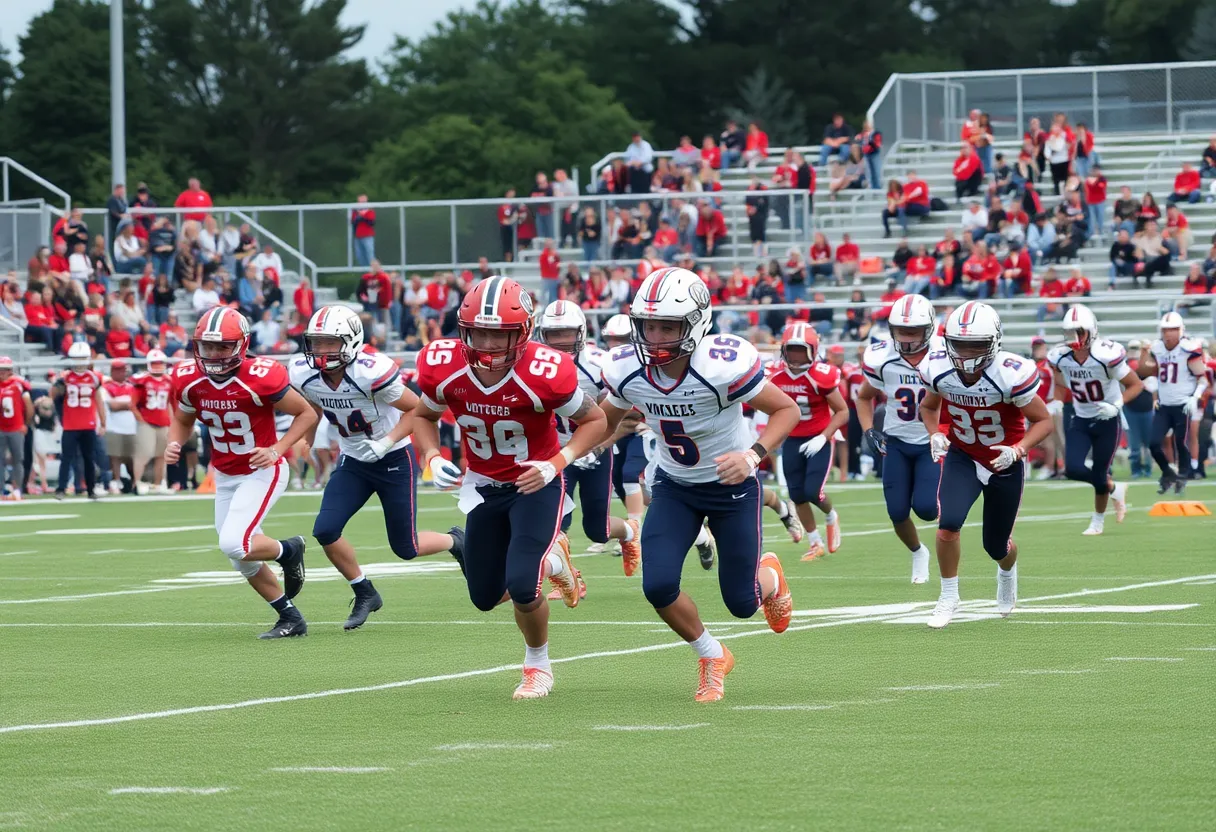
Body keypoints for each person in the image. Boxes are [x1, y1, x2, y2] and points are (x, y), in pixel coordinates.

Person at [598, 267, 801, 701]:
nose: (654, 337)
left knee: (742, 604)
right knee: (657, 586)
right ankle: (711, 655)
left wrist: (752, 455)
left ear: (695, 324)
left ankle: (771, 576)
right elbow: (602, 422)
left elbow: (786, 410)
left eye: (667, 326)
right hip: (675, 486)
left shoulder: (721, 365)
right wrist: (563, 455)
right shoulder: (626, 368)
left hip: (732, 488)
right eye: (648, 325)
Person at [412, 276, 607, 700]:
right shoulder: (443, 365)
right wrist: (432, 457)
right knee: (484, 597)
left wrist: (556, 463)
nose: (486, 344)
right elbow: (422, 416)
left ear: (521, 333)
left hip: (535, 484)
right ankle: (555, 564)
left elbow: (595, 421)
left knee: (522, 585)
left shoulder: (546, 371)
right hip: (483, 486)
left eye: (498, 335)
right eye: (478, 332)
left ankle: (538, 666)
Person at [289, 306, 465, 630]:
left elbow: (418, 410)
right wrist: (308, 437)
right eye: (316, 342)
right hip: (353, 460)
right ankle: (364, 590)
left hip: (394, 459)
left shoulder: (372, 370)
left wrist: (387, 441)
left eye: (330, 342)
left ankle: (456, 541)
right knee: (325, 530)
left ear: (351, 341)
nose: (320, 350)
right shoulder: (304, 371)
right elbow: (314, 399)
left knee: (406, 548)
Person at [166, 306, 317, 638]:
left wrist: (277, 448)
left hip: (262, 470)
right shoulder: (188, 378)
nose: (215, 353)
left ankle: (289, 549)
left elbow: (306, 414)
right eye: (208, 346)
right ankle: (290, 618)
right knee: (240, 557)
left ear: (241, 346)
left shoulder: (260, 376)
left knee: (234, 542)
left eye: (223, 346)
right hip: (225, 474)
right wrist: (175, 443)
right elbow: (182, 418)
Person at [918, 302, 1055, 628]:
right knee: (948, 523)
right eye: (960, 343)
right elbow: (928, 407)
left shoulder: (1010, 373)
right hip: (962, 455)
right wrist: (935, 433)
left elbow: (1044, 421)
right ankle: (948, 595)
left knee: (996, 545)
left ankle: (1007, 570)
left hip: (1003, 461)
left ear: (993, 341)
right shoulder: (938, 368)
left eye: (975, 344)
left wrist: (1019, 450)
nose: (966, 352)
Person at [535, 301, 642, 584]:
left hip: (594, 451)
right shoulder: (532, 365)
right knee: (553, 521)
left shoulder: (600, 363)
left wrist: (600, 444)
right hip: (555, 453)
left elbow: (625, 413)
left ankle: (630, 532)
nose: (560, 341)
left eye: (567, 333)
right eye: (554, 334)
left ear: (581, 332)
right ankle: (567, 576)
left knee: (597, 529)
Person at [855, 295, 940, 583]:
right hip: (897, 443)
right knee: (897, 511)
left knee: (928, 509)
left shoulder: (943, 355)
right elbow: (864, 397)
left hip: (932, 442)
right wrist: (869, 430)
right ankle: (918, 552)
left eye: (912, 331)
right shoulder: (884, 358)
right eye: (900, 330)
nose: (905, 338)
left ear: (928, 329)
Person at [1046, 306, 1141, 535]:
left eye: (1080, 332)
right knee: (1073, 469)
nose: (1075, 338)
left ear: (1092, 331)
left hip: (1108, 420)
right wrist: (1058, 401)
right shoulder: (1060, 357)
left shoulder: (1105, 355)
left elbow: (1136, 384)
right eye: (1071, 333)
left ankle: (1097, 521)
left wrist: (1116, 405)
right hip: (1081, 418)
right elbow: (1059, 384)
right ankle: (1115, 488)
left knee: (1099, 472)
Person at [767, 323, 848, 562]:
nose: (795, 356)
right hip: (791, 438)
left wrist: (824, 436)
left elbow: (842, 411)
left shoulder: (821, 375)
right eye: (791, 350)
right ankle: (815, 543)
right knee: (797, 495)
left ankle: (831, 514)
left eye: (801, 351)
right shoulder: (774, 374)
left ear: (813, 350)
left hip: (818, 438)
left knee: (813, 491)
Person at [1138, 312, 1208, 493]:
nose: (1168, 334)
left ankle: (1183, 475)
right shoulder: (1157, 348)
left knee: (1180, 442)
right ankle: (1167, 471)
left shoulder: (1188, 348)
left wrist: (1195, 397)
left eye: (1172, 330)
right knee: (1153, 443)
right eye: (1165, 330)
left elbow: (1203, 379)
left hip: (1183, 404)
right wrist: (1143, 353)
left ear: (1180, 330)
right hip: (1164, 405)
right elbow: (1144, 371)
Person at [52, 343, 106, 500]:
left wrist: (103, 422)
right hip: (70, 423)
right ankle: (61, 488)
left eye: (83, 359)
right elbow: (53, 394)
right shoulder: (65, 377)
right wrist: (58, 384)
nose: (80, 362)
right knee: (67, 457)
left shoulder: (95, 377)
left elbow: (99, 400)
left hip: (88, 423)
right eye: (77, 359)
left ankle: (91, 489)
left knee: (89, 458)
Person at [128, 349, 172, 494]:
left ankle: (158, 484)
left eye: (160, 363)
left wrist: (171, 422)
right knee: (144, 454)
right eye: (155, 363)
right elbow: (132, 404)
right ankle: (137, 483)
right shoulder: (142, 381)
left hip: (163, 422)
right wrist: (141, 421)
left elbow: (171, 403)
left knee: (161, 455)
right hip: (148, 422)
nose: (158, 366)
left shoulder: (169, 381)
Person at [102, 360, 138, 494]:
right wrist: (128, 404)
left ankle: (135, 482)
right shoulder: (107, 387)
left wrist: (125, 404)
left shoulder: (130, 387)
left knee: (131, 457)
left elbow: (136, 404)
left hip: (131, 426)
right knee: (115, 456)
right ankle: (116, 481)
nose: (123, 373)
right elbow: (113, 406)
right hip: (114, 426)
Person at [0, 357, 33, 501]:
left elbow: (29, 406)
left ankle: (17, 489)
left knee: (18, 459)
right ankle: (1, 490)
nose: (2, 372)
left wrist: (25, 424)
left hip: (16, 427)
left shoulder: (19, 384)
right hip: (1, 428)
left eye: (4, 369)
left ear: (10, 370)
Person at [350, 194, 376, 267]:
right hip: (358, 236)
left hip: (368, 236)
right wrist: (358, 217)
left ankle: (374, 272)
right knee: (360, 256)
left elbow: (371, 222)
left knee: (370, 255)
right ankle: (365, 273)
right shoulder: (355, 211)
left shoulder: (370, 210)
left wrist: (362, 217)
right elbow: (353, 222)